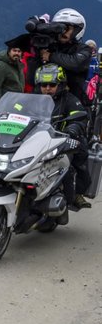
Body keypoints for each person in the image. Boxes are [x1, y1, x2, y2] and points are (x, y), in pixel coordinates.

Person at [34, 65, 92, 215]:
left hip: (61, 140)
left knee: (78, 156)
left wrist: (73, 129)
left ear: (60, 85)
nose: (47, 88)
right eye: (43, 85)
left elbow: (80, 117)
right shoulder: (34, 98)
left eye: (52, 85)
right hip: (36, 140)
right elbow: (17, 110)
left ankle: (76, 193)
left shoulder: (70, 100)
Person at [46, 8, 92, 106]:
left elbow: (76, 63)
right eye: (60, 28)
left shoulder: (84, 49)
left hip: (74, 102)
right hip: (47, 102)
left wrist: (50, 56)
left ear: (77, 30)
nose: (63, 32)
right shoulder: (49, 46)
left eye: (67, 28)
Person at [0, 37, 26, 103]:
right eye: (14, 51)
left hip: (16, 103)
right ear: (9, 52)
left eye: (19, 51)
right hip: (5, 104)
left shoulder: (19, 66)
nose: (17, 53)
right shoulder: (1, 66)